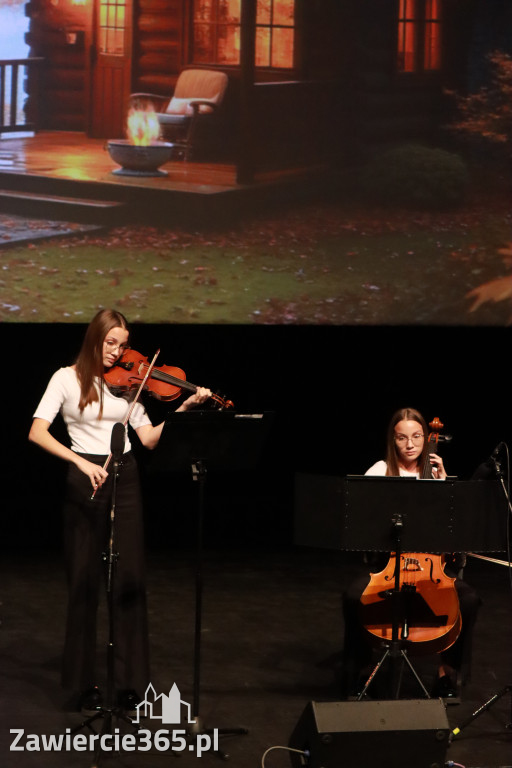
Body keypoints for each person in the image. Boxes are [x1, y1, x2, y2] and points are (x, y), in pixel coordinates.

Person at [28, 309, 211, 715]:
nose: (118, 352)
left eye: (123, 344)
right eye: (110, 343)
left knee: (129, 579)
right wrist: (78, 462)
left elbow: (146, 439)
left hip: (125, 476)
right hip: (86, 475)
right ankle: (84, 683)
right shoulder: (65, 377)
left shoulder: (131, 386)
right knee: (85, 581)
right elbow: (37, 430)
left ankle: (130, 684)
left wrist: (183, 410)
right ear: (95, 339)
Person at [341, 407, 481, 701]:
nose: (410, 444)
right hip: (388, 564)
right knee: (353, 597)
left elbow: (454, 530)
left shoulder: (436, 475)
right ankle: (363, 670)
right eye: (402, 437)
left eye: (417, 436)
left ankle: (446, 672)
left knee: (467, 599)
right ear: (393, 440)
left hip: (430, 567)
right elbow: (362, 525)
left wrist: (445, 488)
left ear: (425, 438)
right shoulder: (379, 472)